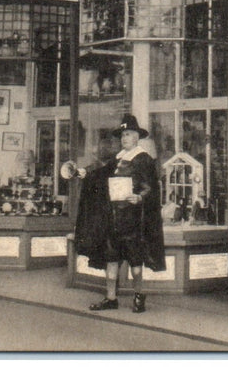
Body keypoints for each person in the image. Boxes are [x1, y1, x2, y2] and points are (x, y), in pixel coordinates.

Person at [74, 114, 165, 313]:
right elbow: (101, 172)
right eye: (123, 135)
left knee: (135, 263)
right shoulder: (116, 160)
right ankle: (110, 298)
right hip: (113, 219)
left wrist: (140, 197)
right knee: (111, 259)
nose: (125, 138)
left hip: (133, 220)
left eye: (129, 134)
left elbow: (151, 187)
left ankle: (139, 296)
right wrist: (85, 172)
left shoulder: (144, 160)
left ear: (137, 137)